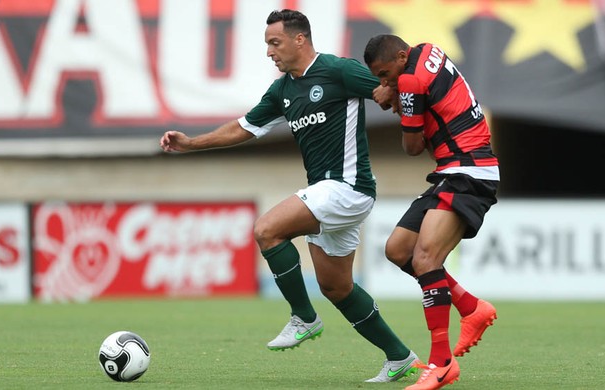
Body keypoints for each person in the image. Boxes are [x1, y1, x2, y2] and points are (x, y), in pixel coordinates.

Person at [160, 10, 419, 383]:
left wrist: (391, 95)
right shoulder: (283, 90)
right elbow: (243, 127)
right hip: (327, 193)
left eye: (274, 43)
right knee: (336, 287)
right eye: (267, 44)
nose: (269, 52)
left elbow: (392, 85)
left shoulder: (337, 70)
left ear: (300, 39)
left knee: (267, 230)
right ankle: (399, 357)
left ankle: (304, 318)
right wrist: (190, 144)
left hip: (346, 188)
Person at [363, 34, 500, 390]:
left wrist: (397, 100)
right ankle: (471, 307)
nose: (384, 81)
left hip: (468, 172)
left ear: (401, 56)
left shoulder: (408, 80)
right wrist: (399, 96)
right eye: (379, 78)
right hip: (453, 171)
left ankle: (441, 364)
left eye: (384, 73)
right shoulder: (427, 52)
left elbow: (412, 147)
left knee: (425, 258)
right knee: (398, 249)